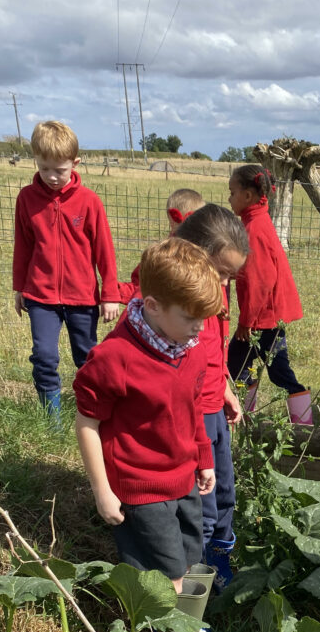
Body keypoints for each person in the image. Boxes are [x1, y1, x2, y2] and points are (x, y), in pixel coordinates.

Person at [73, 237, 223, 592]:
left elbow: (194, 406)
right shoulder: (114, 358)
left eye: (204, 318)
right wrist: (102, 491)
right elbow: (87, 423)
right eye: (190, 317)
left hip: (183, 476)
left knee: (189, 556)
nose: (199, 328)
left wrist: (204, 458)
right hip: (141, 487)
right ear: (152, 305)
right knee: (164, 576)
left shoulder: (191, 350)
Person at [13, 120, 120, 418]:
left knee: (87, 358)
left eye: (59, 170)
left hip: (82, 297)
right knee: (44, 357)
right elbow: (23, 246)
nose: (51, 177)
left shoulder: (89, 202)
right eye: (44, 167)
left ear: (75, 163)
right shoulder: (27, 199)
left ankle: (93, 416)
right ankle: (52, 422)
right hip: (40, 296)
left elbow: (104, 251)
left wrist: (109, 293)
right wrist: (20, 287)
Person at [175, 205, 249, 590]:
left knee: (224, 493)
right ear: (192, 253)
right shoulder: (174, 296)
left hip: (211, 406)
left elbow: (212, 348)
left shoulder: (211, 290)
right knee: (200, 505)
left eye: (229, 277)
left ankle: (221, 564)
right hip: (190, 416)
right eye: (220, 272)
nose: (223, 283)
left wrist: (223, 387)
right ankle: (195, 582)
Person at [227, 164, 312, 425]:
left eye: (232, 192)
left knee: (275, 370)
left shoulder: (253, 230)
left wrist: (246, 322)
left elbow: (259, 281)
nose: (229, 198)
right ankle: (246, 415)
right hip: (266, 315)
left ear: (249, 197)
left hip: (264, 317)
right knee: (239, 364)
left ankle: (303, 423)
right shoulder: (256, 221)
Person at [118, 187, 206, 304]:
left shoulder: (163, 254)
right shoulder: (208, 253)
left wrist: (115, 291)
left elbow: (141, 284)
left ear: (171, 219)